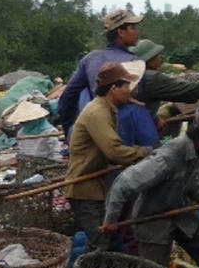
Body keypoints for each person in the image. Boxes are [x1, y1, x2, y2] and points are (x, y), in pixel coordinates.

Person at [100, 103, 199, 268]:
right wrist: (111, 219)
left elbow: (190, 183)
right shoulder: (170, 155)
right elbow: (123, 183)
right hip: (153, 220)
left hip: (178, 214)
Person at [64, 62, 151, 242]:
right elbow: (115, 152)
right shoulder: (98, 113)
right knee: (102, 242)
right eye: (126, 86)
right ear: (113, 88)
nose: (131, 90)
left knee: (104, 241)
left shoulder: (107, 108)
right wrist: (146, 152)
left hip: (96, 185)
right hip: (84, 189)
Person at [57, 9, 143, 133]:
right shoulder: (134, 62)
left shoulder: (90, 58)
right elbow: (139, 100)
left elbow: (67, 98)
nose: (137, 32)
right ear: (121, 32)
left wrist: (68, 129)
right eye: (133, 28)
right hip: (125, 131)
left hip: (96, 126)